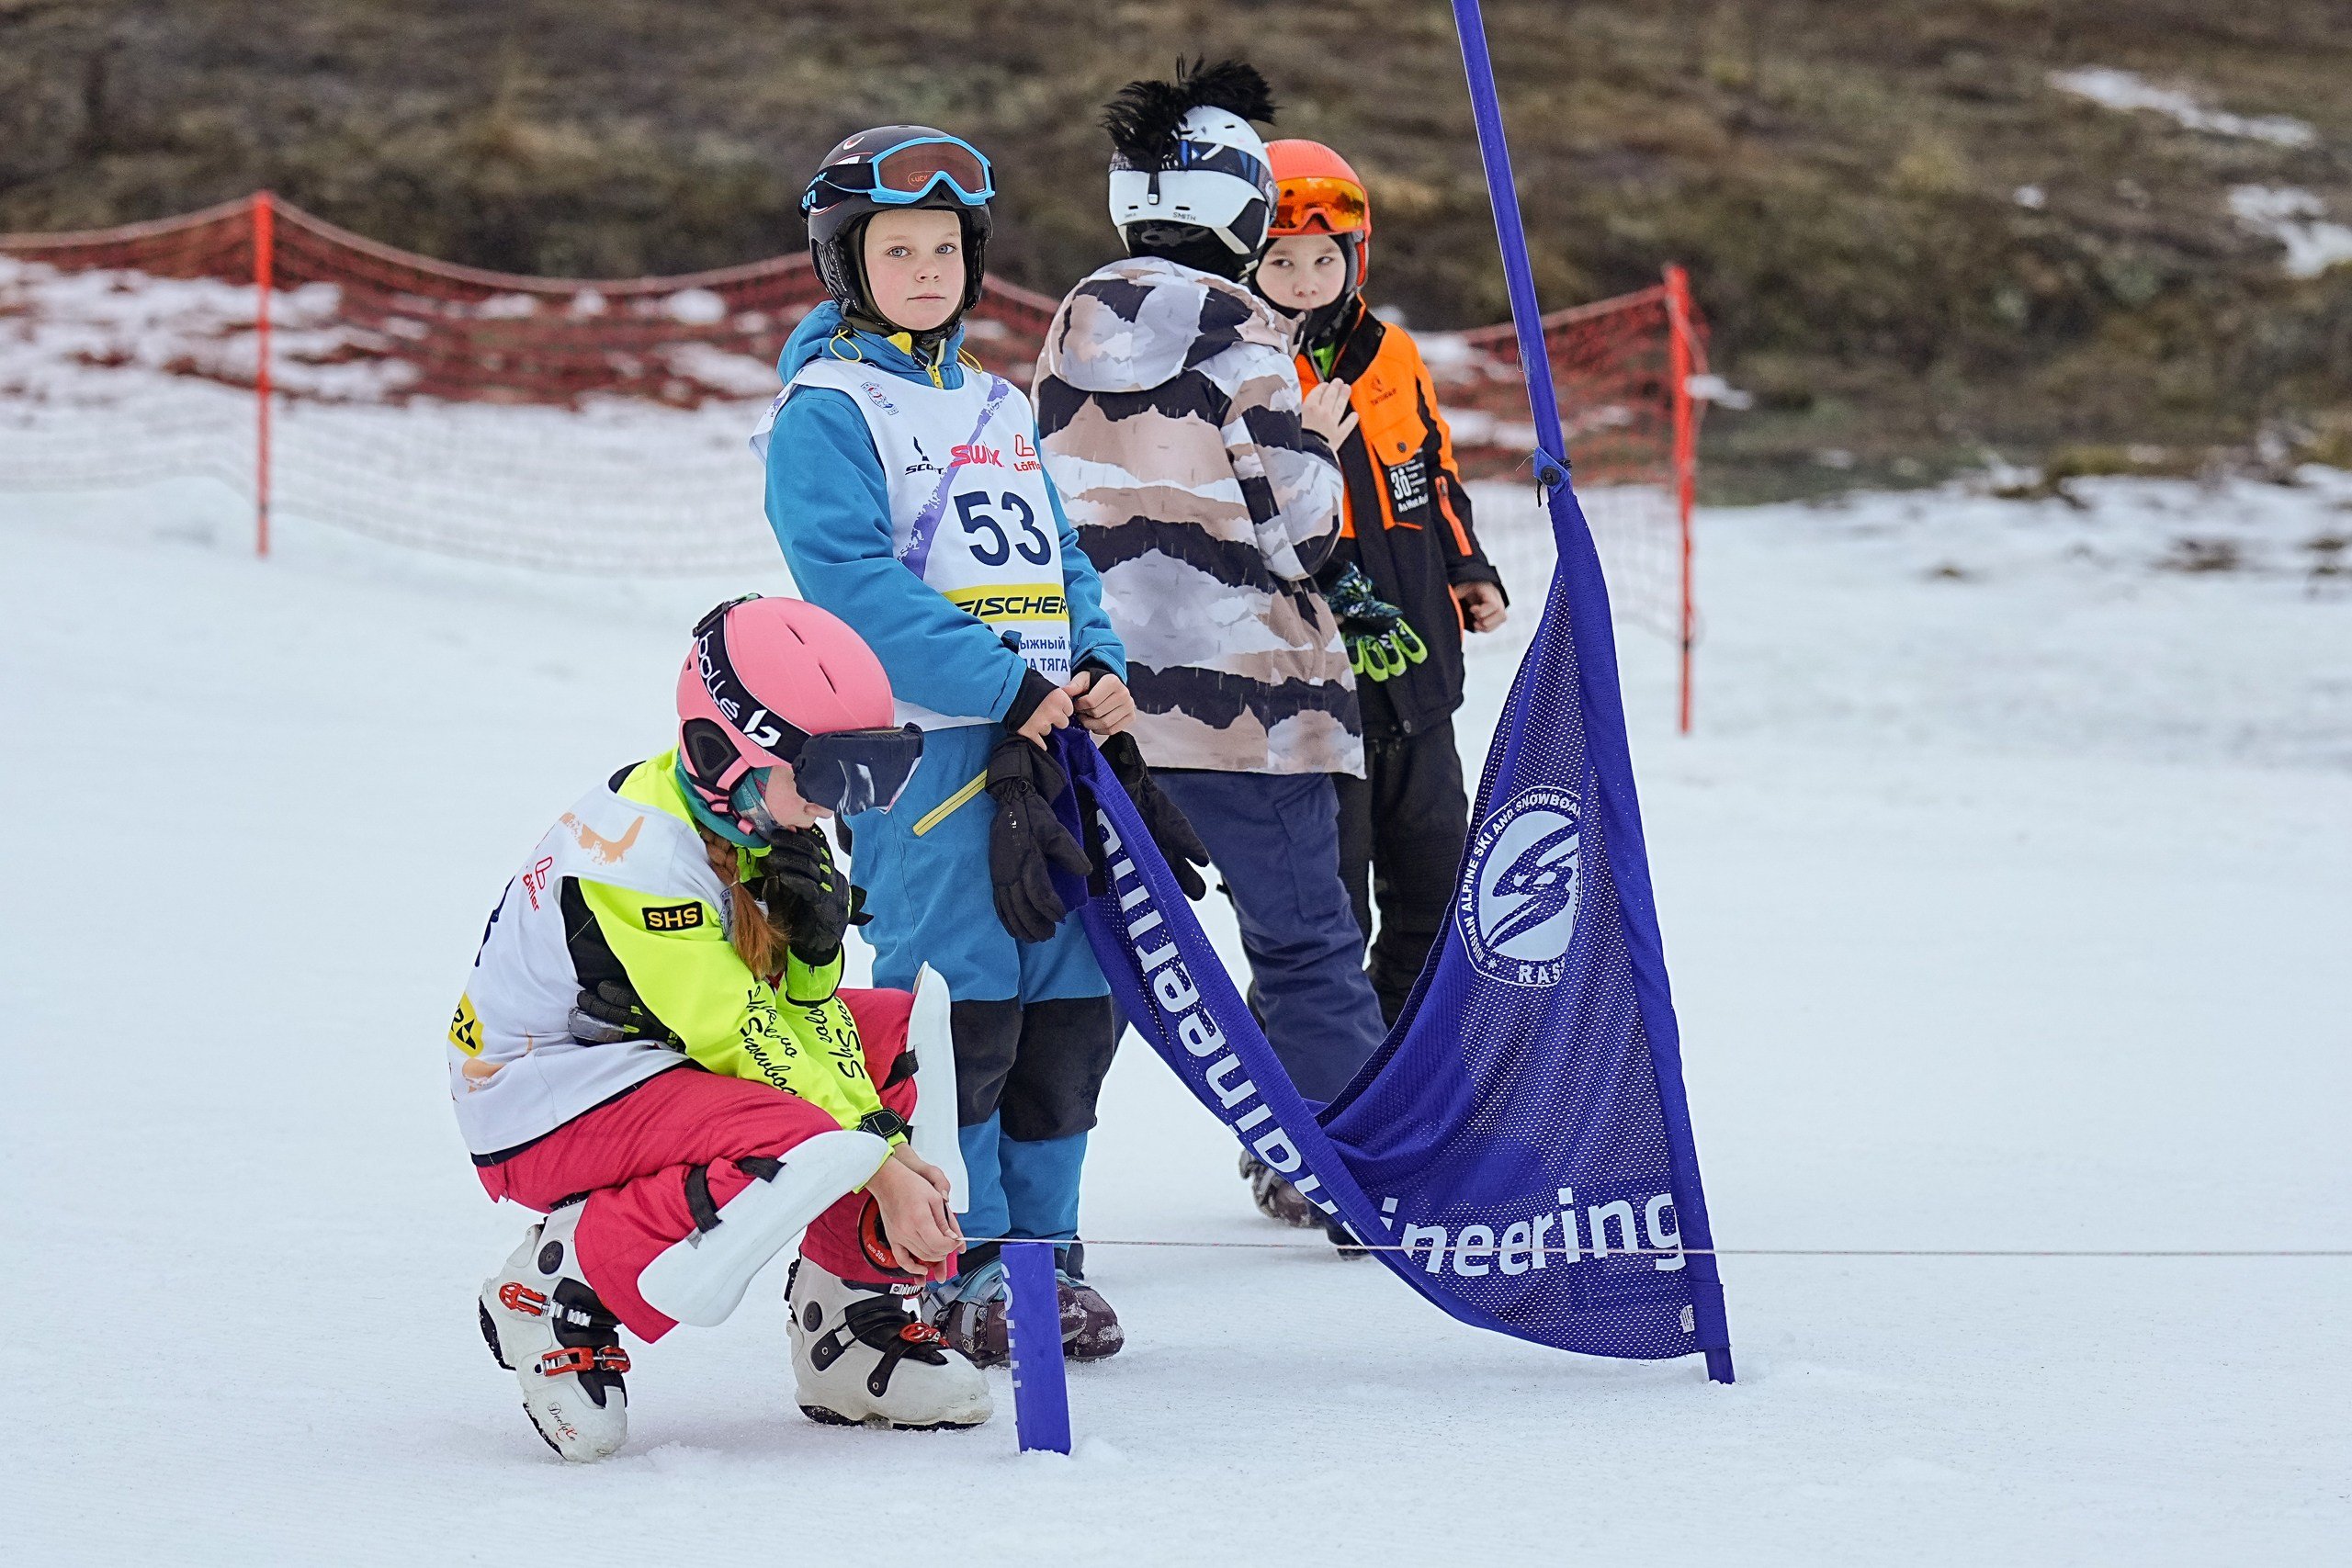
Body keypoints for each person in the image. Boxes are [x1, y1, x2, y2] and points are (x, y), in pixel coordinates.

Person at [756, 126, 1139, 1363]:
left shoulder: (993, 398)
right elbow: (849, 580)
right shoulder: (829, 408)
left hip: (1050, 752)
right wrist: (996, 681)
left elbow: (1059, 554)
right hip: (930, 763)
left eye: (944, 248)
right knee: (958, 1011)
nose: (926, 269)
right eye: (897, 248)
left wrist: (1097, 667)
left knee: (1069, 1006)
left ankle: (1050, 1254)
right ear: (846, 263)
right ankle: (958, 1261)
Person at [456, 594, 988, 1462]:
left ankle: (849, 1325)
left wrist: (818, 960)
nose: (837, 805)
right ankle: (560, 1284)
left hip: (647, 1068)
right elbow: (740, 1034)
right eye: (825, 777)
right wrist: (882, 1159)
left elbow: (803, 1016)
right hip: (539, 1100)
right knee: (802, 1138)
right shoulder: (636, 860)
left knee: (896, 1034)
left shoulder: (761, 823)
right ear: (722, 752)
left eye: (865, 775)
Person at [1030, 61, 1391, 1230]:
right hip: (1253, 705)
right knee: (1305, 951)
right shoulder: (1247, 329)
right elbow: (1299, 519)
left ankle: (1031, 1216)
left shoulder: (1068, 322)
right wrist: (1323, 440)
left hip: (1108, 705)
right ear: (1240, 207)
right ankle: (1352, 1173)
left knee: (1095, 973)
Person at [1252, 139, 1509, 1034]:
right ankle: (1319, 1101)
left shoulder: (1390, 354)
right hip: (1313, 702)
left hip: (1419, 679)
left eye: (1325, 258)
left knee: (1437, 895)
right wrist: (1303, 443)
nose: (1306, 276)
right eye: (1281, 260)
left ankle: (1417, 1065)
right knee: (1327, 917)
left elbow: (1432, 469)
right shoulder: (1239, 370)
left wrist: (1467, 567)